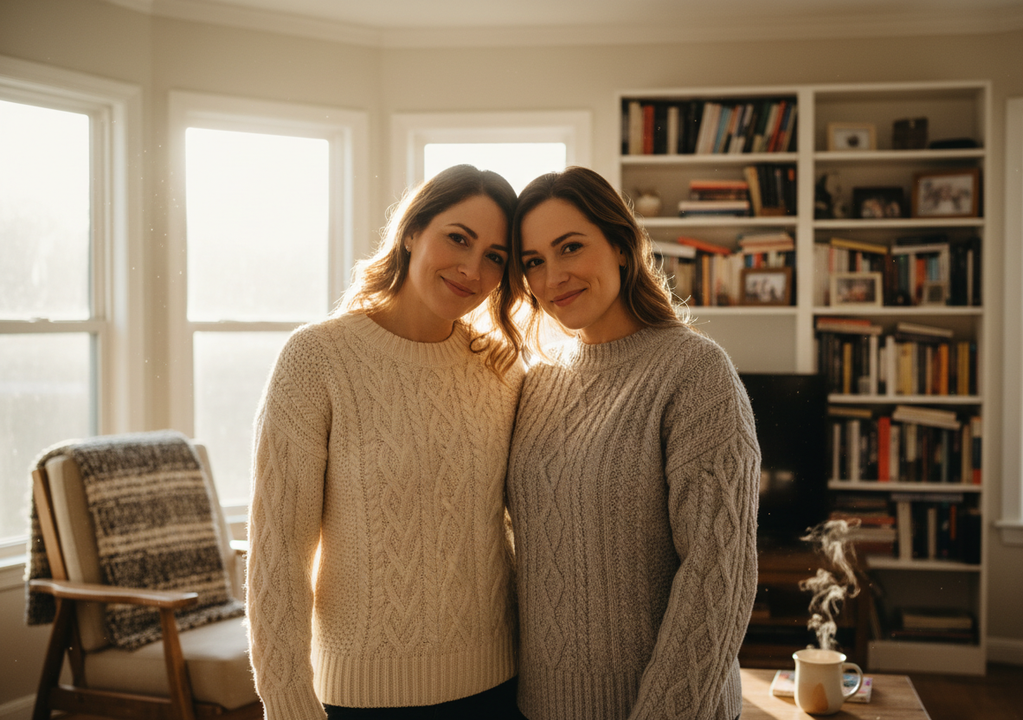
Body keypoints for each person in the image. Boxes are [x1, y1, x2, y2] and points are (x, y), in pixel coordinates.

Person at [246, 164, 526, 720]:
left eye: (495, 255)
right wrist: (286, 698)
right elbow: (279, 550)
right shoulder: (317, 359)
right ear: (411, 231)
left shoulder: (503, 369)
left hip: (497, 685)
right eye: (458, 238)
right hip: (361, 696)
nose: (473, 268)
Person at [506, 166, 760, 720]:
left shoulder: (694, 371)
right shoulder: (537, 382)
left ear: (622, 247)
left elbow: (719, 572)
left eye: (570, 247)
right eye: (533, 263)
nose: (553, 279)